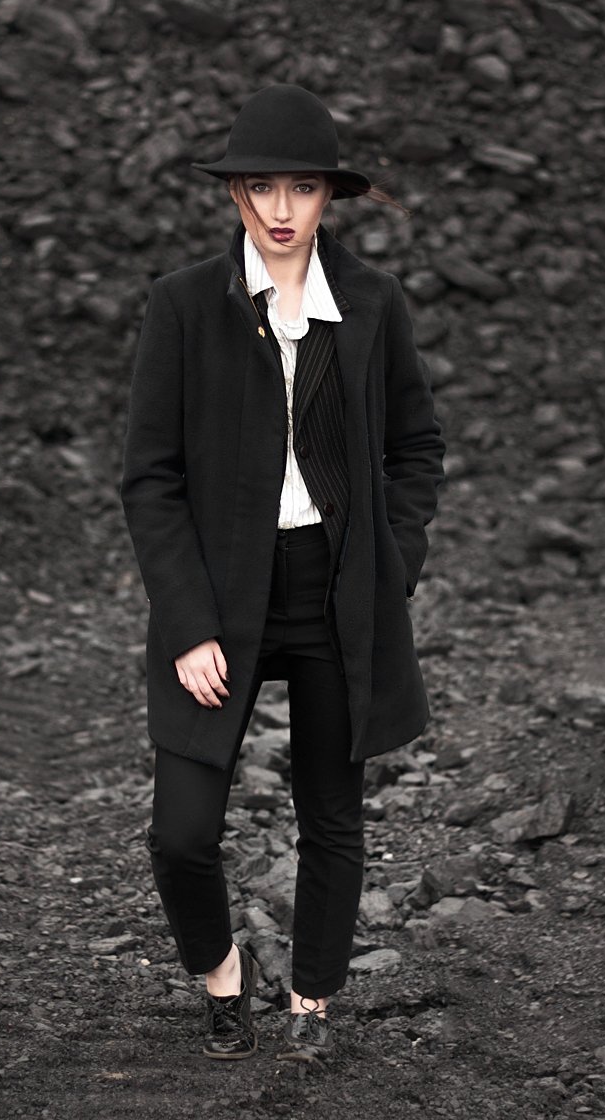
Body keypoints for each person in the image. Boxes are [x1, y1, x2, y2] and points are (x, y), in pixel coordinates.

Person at [117, 83, 446, 1064]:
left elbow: (416, 447)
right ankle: (223, 978)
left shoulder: (373, 303)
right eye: (260, 187)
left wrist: (392, 565)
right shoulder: (184, 305)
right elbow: (150, 477)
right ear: (234, 194)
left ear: (328, 196)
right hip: (219, 593)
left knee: (330, 819)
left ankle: (311, 1002)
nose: (279, 209)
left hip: (337, 589)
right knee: (181, 832)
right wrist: (186, 622)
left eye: (301, 187)